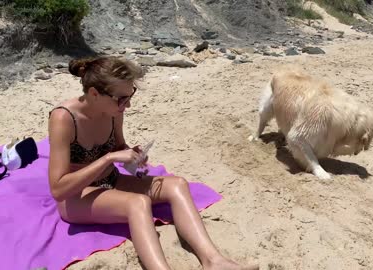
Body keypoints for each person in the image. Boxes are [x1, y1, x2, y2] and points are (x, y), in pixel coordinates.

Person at [47, 56, 258, 270]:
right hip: (77, 196)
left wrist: (131, 154)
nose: (127, 104)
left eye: (130, 96)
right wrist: (108, 159)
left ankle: (214, 261)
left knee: (177, 184)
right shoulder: (64, 118)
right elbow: (58, 189)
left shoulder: (113, 111)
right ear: (94, 93)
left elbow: (118, 146)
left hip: (112, 180)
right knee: (138, 203)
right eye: (121, 98)